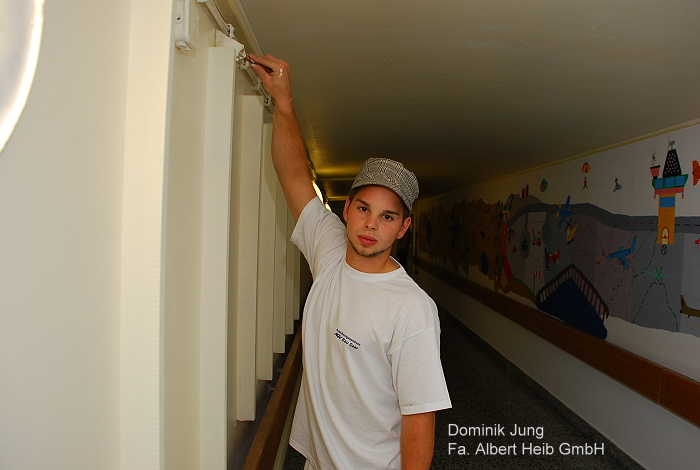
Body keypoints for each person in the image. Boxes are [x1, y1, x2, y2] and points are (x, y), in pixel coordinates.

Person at [250, 53, 451, 470]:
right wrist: (283, 102)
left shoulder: (412, 308)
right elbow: (293, 175)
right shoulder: (328, 248)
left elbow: (419, 420)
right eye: (363, 209)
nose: (371, 225)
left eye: (387, 217)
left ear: (403, 228)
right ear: (346, 209)